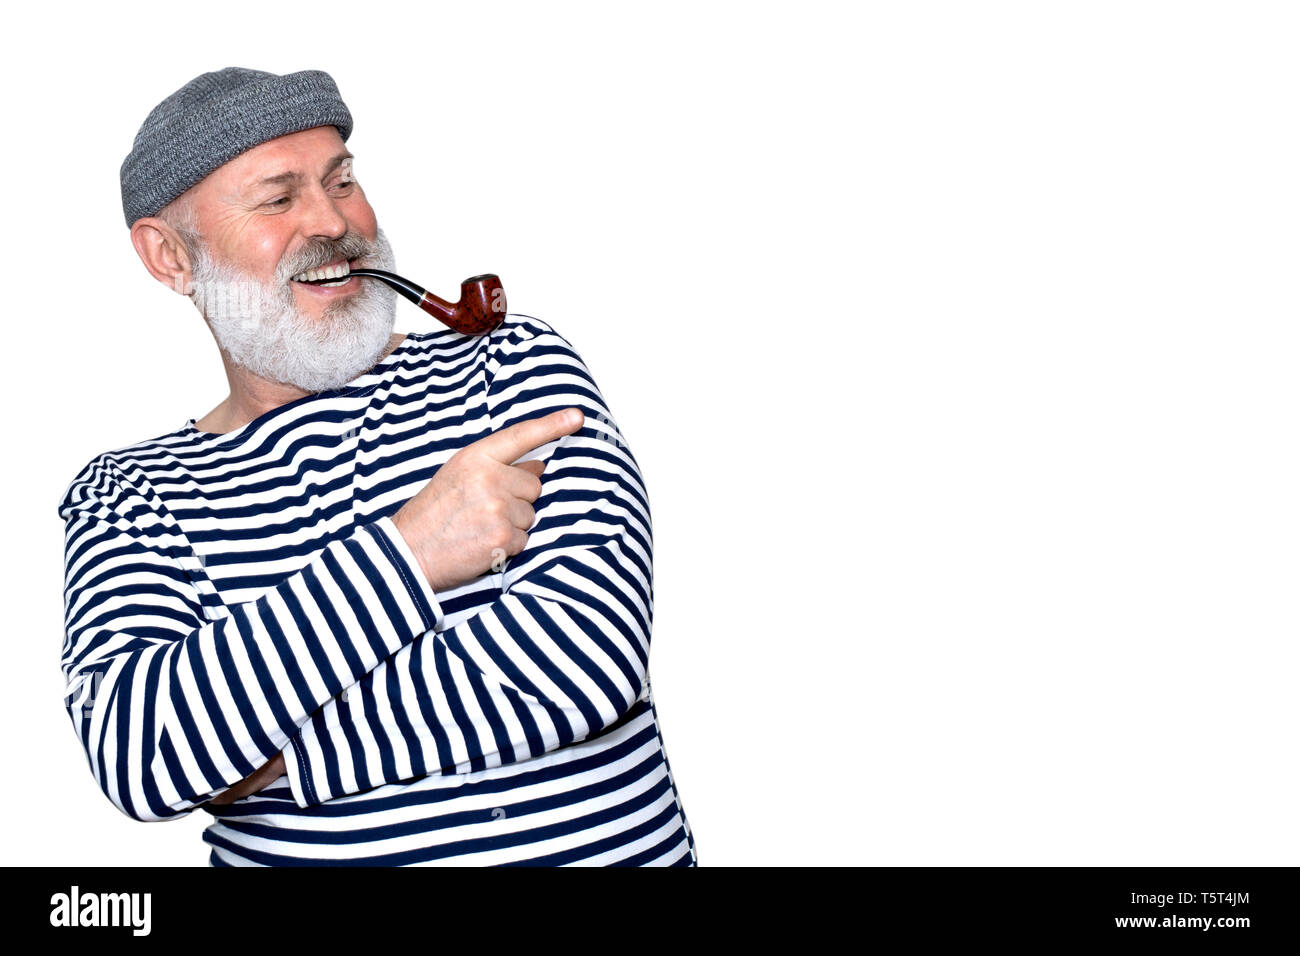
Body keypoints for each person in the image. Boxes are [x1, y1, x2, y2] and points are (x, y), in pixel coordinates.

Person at [58, 66, 697, 866]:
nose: (334, 221)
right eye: (279, 197)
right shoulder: (130, 497)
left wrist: (263, 759)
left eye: (343, 181)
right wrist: (412, 552)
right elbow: (144, 756)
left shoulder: (510, 369)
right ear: (169, 257)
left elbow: (582, 656)